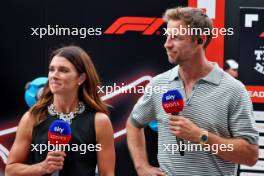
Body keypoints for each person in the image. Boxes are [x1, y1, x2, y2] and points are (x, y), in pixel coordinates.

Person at [126, 7, 259, 176]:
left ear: (200, 40)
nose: (167, 44)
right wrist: (141, 167)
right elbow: (133, 123)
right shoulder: (158, 84)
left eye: (176, 37)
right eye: (167, 36)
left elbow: (250, 155)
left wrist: (201, 136)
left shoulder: (234, 90)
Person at [5, 45, 115, 176]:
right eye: (52, 70)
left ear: (81, 78)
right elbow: (10, 171)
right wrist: (42, 167)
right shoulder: (32, 118)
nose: (54, 76)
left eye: (63, 70)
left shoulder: (99, 121)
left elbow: (108, 174)